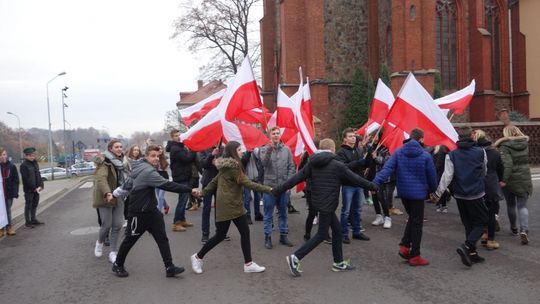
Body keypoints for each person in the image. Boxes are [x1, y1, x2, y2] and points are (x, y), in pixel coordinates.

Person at [274, 138, 377, 277]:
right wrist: (373, 186)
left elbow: (295, 179)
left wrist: (277, 190)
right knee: (322, 234)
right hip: (328, 205)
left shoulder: (312, 163)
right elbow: (356, 179)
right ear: (333, 149)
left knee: (338, 231)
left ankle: (338, 262)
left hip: (319, 203)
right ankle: (295, 257)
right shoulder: (337, 165)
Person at [111, 145, 198, 278]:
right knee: (130, 240)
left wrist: (114, 194)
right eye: (153, 156)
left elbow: (128, 184)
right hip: (138, 212)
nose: (156, 158)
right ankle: (117, 264)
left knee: (162, 238)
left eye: (157, 156)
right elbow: (168, 185)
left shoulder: (140, 166)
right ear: (146, 156)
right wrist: (189, 190)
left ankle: (169, 267)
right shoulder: (148, 172)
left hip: (152, 211)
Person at [190, 141, 272, 274]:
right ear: (234, 152)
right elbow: (248, 183)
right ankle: (197, 257)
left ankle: (248, 263)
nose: (242, 152)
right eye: (239, 150)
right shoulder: (233, 167)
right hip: (228, 206)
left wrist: (203, 192)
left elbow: (214, 181)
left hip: (234, 205)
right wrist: (269, 189)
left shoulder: (227, 166)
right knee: (220, 235)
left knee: (244, 232)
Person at [373, 128, 437, 266]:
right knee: (417, 223)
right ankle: (415, 255)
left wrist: (374, 183)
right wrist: (434, 191)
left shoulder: (399, 152)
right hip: (419, 194)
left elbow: (387, 169)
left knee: (412, 220)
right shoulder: (425, 155)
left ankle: (404, 245)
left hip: (404, 193)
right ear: (421, 139)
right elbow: (432, 177)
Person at [432, 126, 488, 267]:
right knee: (483, 222)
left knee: (468, 223)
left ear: (458, 138)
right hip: (475, 193)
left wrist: (438, 193)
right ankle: (467, 246)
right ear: (472, 136)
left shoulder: (452, 155)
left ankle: (472, 253)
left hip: (460, 194)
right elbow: (484, 170)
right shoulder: (481, 152)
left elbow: (447, 176)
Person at [494, 125, 533, 245]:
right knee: (522, 206)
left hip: (510, 180)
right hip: (525, 178)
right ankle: (524, 230)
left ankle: (514, 228)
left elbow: (508, 165)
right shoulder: (525, 144)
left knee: (511, 205)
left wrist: (503, 180)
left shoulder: (504, 147)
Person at [259, 127, 296, 249]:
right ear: (269, 136)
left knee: (283, 213)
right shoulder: (264, 149)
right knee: (268, 214)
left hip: (283, 188)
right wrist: (270, 149)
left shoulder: (287, 150)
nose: (275, 135)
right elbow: (264, 164)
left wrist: (288, 184)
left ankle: (283, 236)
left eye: (277, 133)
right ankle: (267, 237)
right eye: (273, 133)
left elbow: (291, 167)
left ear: (280, 135)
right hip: (269, 188)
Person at [93, 140, 126, 264]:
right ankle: (100, 242)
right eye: (116, 147)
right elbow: (101, 179)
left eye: (121, 147)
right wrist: (108, 192)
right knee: (106, 225)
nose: (119, 149)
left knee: (117, 224)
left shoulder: (123, 161)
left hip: (119, 195)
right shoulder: (104, 162)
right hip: (106, 196)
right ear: (110, 149)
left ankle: (113, 252)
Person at [336, 128, 371, 243]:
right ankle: (343, 234)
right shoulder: (341, 152)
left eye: (354, 136)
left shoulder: (358, 150)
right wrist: (357, 163)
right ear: (345, 139)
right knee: (346, 210)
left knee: (357, 209)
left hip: (358, 183)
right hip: (348, 185)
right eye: (350, 136)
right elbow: (342, 168)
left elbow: (365, 165)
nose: (353, 138)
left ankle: (356, 232)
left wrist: (369, 154)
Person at [474, 129, 504, 250]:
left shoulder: (474, 152)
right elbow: (500, 168)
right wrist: (501, 179)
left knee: (481, 212)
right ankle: (491, 239)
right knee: (491, 212)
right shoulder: (495, 152)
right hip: (491, 183)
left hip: (477, 184)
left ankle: (484, 233)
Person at [166, 129, 197, 232]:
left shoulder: (180, 147)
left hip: (184, 176)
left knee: (182, 199)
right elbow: (187, 159)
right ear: (172, 137)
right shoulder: (175, 148)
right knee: (182, 201)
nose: (178, 137)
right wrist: (193, 150)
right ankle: (176, 223)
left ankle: (182, 220)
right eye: (176, 135)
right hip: (181, 177)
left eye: (179, 135)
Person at [199, 146, 221, 244]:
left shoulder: (222, 149)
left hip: (220, 182)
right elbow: (204, 164)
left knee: (220, 209)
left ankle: (220, 232)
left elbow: (227, 164)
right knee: (206, 209)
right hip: (207, 182)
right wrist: (211, 155)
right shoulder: (203, 148)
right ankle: (205, 233)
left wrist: (219, 163)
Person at [19, 147, 44, 228]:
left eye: (33, 155)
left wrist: (41, 185)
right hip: (29, 190)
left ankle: (33, 219)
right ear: (26, 156)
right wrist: (34, 188)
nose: (32, 157)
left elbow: (38, 175)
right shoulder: (23, 165)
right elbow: (26, 179)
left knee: (35, 204)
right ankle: (28, 222)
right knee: (28, 205)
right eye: (30, 155)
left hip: (37, 189)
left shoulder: (35, 163)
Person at [241, 148, 264, 224]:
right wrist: (248, 152)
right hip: (246, 178)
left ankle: (257, 214)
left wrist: (255, 150)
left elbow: (261, 158)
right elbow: (243, 161)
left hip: (256, 177)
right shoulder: (242, 149)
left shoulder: (256, 149)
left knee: (257, 197)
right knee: (247, 198)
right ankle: (247, 216)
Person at [0, 148, 19, 236]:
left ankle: (9, 227)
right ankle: (1, 228)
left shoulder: (12, 166)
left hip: (8, 193)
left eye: (4, 154)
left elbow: (16, 180)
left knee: (7, 211)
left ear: (6, 155)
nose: (3, 156)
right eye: (1, 155)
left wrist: (15, 192)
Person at [432, 145, 451, 213]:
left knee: (441, 188)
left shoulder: (441, 149)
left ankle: (443, 205)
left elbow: (439, 163)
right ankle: (441, 204)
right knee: (440, 188)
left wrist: (433, 170)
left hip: (440, 172)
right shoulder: (437, 148)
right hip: (440, 171)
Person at [155, 145, 170, 215]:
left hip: (164, 179)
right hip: (156, 179)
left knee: (161, 196)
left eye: (161, 149)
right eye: (158, 149)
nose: (160, 150)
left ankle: (159, 212)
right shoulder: (154, 158)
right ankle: (166, 206)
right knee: (159, 196)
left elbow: (166, 169)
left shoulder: (165, 158)